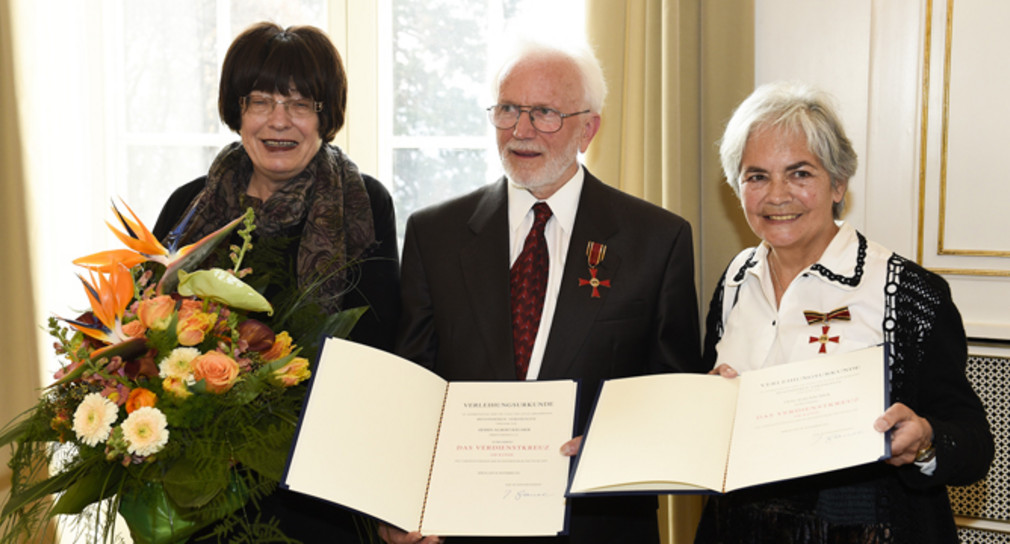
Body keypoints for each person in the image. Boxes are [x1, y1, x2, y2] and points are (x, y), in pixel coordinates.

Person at [384, 38, 704, 544]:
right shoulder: (434, 234)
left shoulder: (657, 240)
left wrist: (612, 444)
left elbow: (676, 396)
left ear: (588, 128)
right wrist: (396, 505)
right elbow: (412, 391)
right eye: (508, 109)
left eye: (545, 113)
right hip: (460, 527)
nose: (521, 131)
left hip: (598, 525)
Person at [694, 81, 993, 543]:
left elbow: (974, 444)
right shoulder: (735, 281)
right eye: (757, 176)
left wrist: (925, 439)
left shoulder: (908, 292)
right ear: (738, 187)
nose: (777, 195)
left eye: (799, 174)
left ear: (838, 183)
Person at [152, 22, 400, 543]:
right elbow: (144, 333)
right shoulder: (187, 206)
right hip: (202, 495)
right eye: (261, 101)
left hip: (322, 496)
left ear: (326, 116)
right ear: (236, 111)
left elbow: (379, 351)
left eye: (301, 104)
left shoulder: (365, 205)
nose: (279, 122)